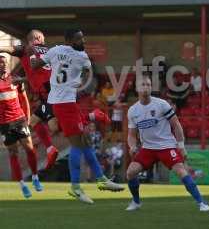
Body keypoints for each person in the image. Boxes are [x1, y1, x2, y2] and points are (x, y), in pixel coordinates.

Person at [31, 28, 124, 204]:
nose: (83, 42)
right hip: (65, 104)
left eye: (83, 38)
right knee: (77, 144)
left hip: (59, 103)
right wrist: (77, 78)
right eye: (79, 39)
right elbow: (87, 72)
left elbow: (35, 65)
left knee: (84, 142)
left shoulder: (55, 50)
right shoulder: (82, 57)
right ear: (69, 40)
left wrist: (37, 54)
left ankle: (101, 179)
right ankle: (76, 188)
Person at [125, 75, 209, 212]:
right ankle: (136, 202)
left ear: (151, 87)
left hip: (166, 146)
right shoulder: (133, 111)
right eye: (142, 85)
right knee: (130, 172)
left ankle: (202, 202)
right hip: (148, 148)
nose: (145, 87)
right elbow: (131, 134)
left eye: (148, 84)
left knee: (181, 172)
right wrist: (133, 146)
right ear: (137, 88)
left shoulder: (161, 104)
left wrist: (181, 146)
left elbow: (176, 125)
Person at [0, 30, 59, 170]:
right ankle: (50, 149)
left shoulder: (27, 49)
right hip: (53, 90)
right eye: (42, 39)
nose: (43, 41)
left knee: (54, 127)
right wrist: (22, 79)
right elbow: (40, 74)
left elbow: (8, 49)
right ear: (39, 38)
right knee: (33, 121)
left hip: (49, 94)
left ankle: (90, 116)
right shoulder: (48, 51)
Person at [0, 55, 43, 198]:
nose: (4, 65)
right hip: (4, 124)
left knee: (30, 149)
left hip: (19, 119)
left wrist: (28, 117)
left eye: (5, 62)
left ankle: (35, 177)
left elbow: (24, 98)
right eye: (1, 63)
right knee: (13, 153)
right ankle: (22, 184)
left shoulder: (16, 79)